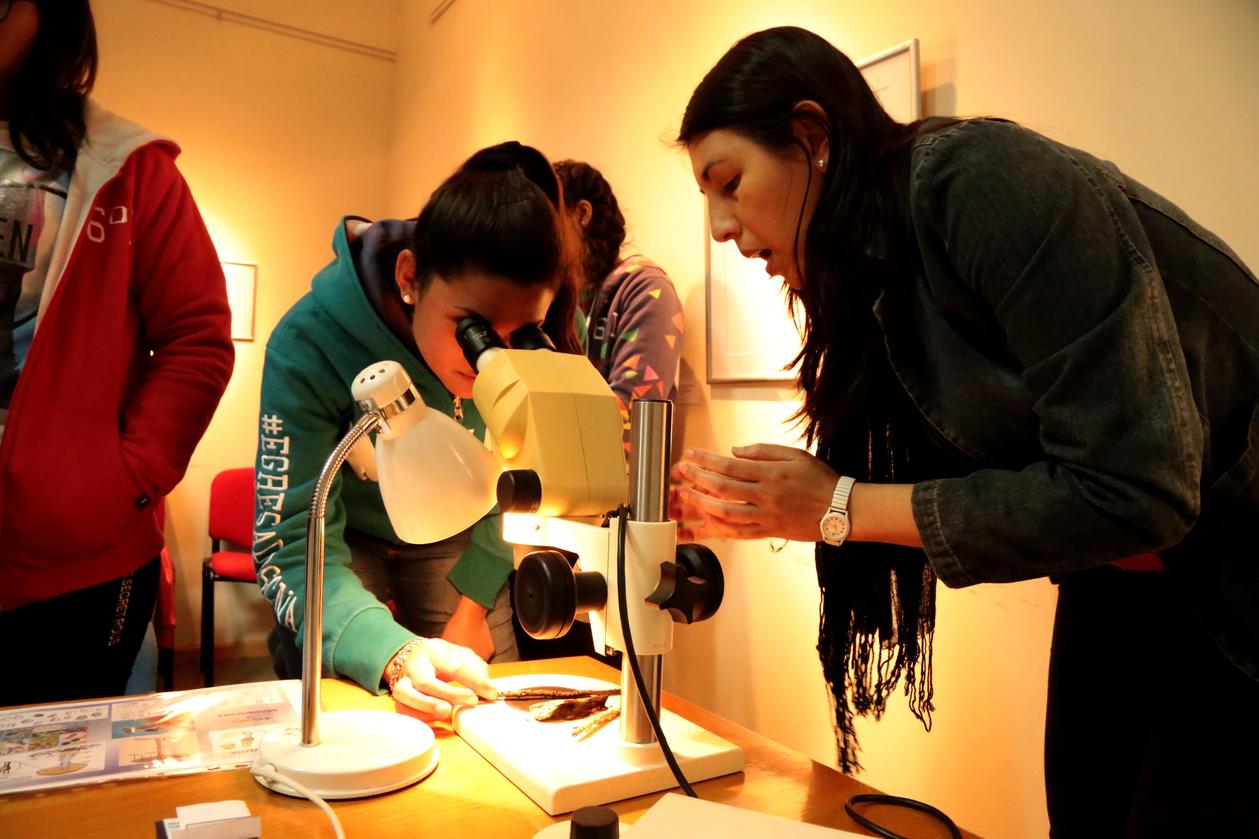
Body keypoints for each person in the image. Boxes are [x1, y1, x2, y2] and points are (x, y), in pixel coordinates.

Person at [671, 25, 1259, 836]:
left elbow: (1133, 489)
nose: (719, 227)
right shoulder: (877, 281)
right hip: (1125, 574)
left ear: (813, 137)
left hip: (1234, 575)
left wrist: (834, 505)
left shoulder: (980, 181)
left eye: (728, 182)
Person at [255, 141, 583, 716]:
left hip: (468, 530)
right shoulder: (308, 342)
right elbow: (292, 545)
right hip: (343, 537)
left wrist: (473, 609)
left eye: (520, 335)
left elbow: (523, 492)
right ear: (410, 277)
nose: (493, 359)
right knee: (355, 703)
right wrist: (389, 653)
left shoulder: (540, 336)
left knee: (481, 700)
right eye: (474, 328)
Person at [0, 0, 234, 705]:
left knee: (71, 798)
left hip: (83, 558)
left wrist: (123, 479)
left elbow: (198, 338)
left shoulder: (133, 169)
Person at [553, 160, 684, 450]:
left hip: (621, 490)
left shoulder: (647, 288)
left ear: (582, 214)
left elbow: (633, 421)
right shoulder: (561, 294)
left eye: (550, 222)